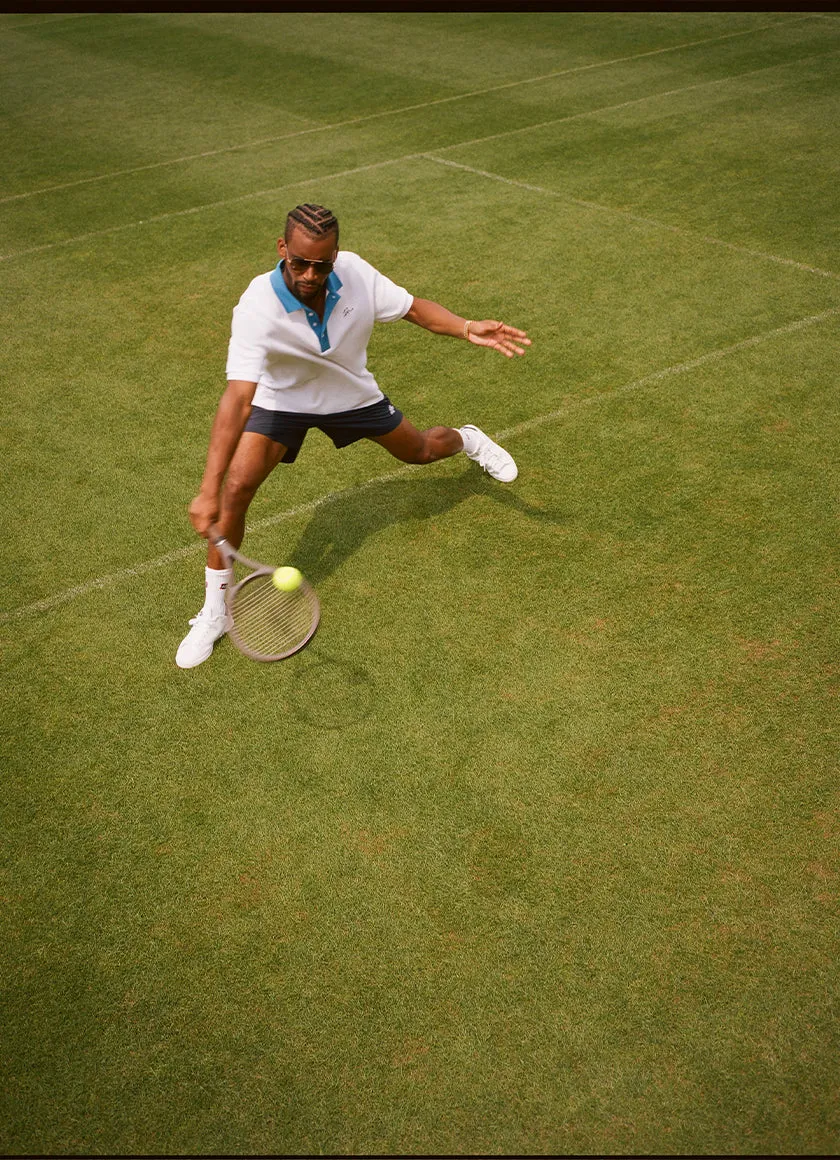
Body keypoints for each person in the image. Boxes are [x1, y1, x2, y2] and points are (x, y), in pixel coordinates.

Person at [176, 203, 531, 669]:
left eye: (321, 265)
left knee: (420, 450)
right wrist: (206, 492)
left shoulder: (356, 274)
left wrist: (466, 328)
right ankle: (215, 613)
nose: (308, 274)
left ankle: (469, 439)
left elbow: (414, 310)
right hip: (282, 402)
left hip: (349, 393)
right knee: (234, 492)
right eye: (299, 261)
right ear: (282, 248)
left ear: (336, 255)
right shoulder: (257, 307)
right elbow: (237, 400)